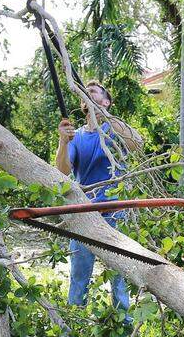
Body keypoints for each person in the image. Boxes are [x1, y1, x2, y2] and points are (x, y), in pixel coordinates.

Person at [55, 81, 144, 320]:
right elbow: (62, 172)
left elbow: (138, 143)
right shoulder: (76, 136)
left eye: (93, 92)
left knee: (118, 276)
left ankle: (123, 326)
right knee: (79, 275)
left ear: (106, 102)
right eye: (86, 93)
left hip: (114, 214)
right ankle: (75, 327)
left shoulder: (115, 130)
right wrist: (63, 142)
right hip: (84, 215)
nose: (88, 94)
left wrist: (104, 115)